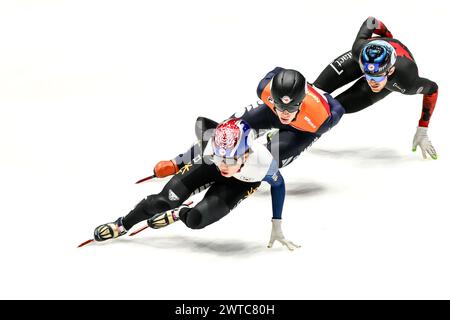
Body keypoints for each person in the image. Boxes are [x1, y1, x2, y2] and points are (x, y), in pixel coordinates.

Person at [91, 118, 299, 251]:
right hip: (206, 166)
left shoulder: (263, 164)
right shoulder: (213, 146)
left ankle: (178, 214)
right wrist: (177, 163)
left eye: (230, 160)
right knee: (161, 201)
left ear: (246, 154)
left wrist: (277, 224)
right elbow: (201, 126)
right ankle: (122, 224)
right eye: (219, 157)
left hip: (239, 185)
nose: (223, 166)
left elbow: (278, 186)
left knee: (196, 220)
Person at [153, 68, 345, 178]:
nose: (285, 113)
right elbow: (277, 70)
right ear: (272, 98)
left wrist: (323, 95)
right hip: (269, 114)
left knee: (270, 159)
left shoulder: (320, 120)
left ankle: (233, 173)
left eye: (291, 108)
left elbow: (340, 109)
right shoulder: (264, 89)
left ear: (302, 102)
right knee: (227, 131)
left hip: (303, 130)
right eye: (280, 105)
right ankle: (179, 161)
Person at [313, 16, 439, 159]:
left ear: (390, 71)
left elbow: (433, 89)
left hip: (393, 75)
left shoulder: (407, 79)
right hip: (366, 57)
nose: (373, 82)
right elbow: (371, 21)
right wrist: (386, 36)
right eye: (368, 76)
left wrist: (422, 128)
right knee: (315, 91)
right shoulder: (358, 50)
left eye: (378, 77)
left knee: (334, 110)